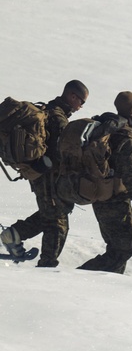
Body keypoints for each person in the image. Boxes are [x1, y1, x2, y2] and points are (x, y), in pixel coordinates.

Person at [1, 80, 88, 266]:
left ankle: (13, 235)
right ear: (72, 96)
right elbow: (59, 150)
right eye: (81, 101)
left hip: (41, 173)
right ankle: (48, 267)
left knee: (52, 214)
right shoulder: (57, 117)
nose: (81, 106)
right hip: (48, 175)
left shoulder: (49, 110)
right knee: (57, 222)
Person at [77, 92, 132, 274]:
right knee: (124, 250)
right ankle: (77, 276)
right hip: (116, 201)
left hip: (98, 196)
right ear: (131, 112)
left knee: (116, 250)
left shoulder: (105, 129)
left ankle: (110, 286)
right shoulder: (126, 138)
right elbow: (131, 176)